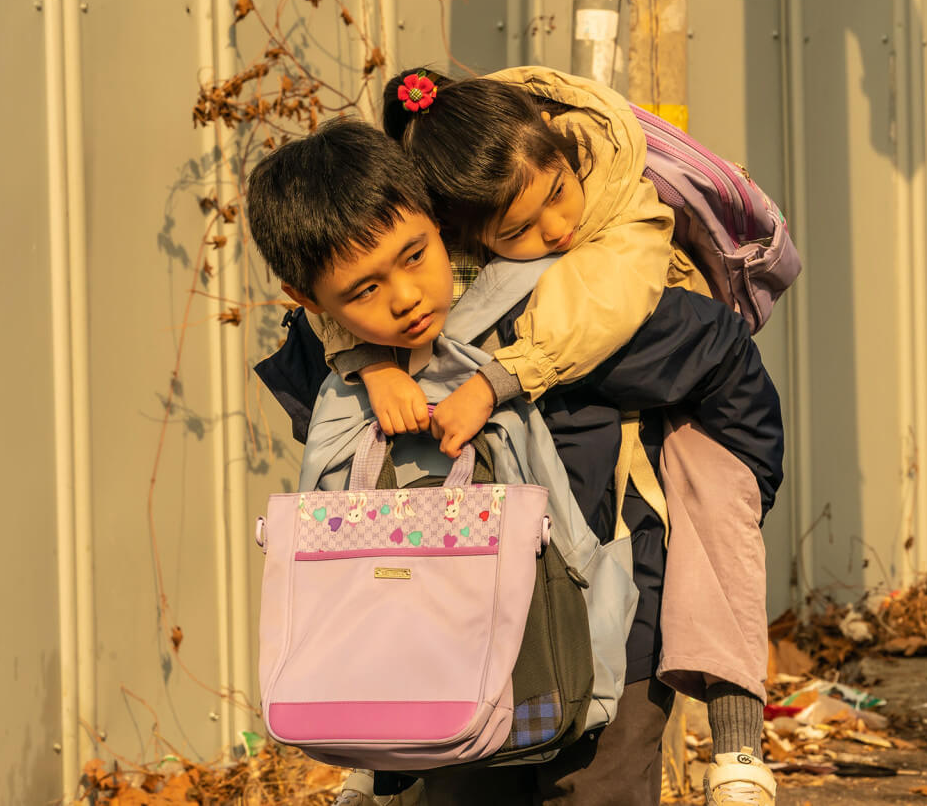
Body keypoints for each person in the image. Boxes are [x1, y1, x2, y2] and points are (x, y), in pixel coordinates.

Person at [247, 115, 782, 806]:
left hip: (605, 625)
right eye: (364, 291)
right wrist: (371, 367)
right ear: (310, 300)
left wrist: (735, 496)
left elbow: (726, 360)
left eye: (415, 256)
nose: (405, 298)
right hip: (442, 650)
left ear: (439, 223)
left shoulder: (566, 308)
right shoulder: (335, 366)